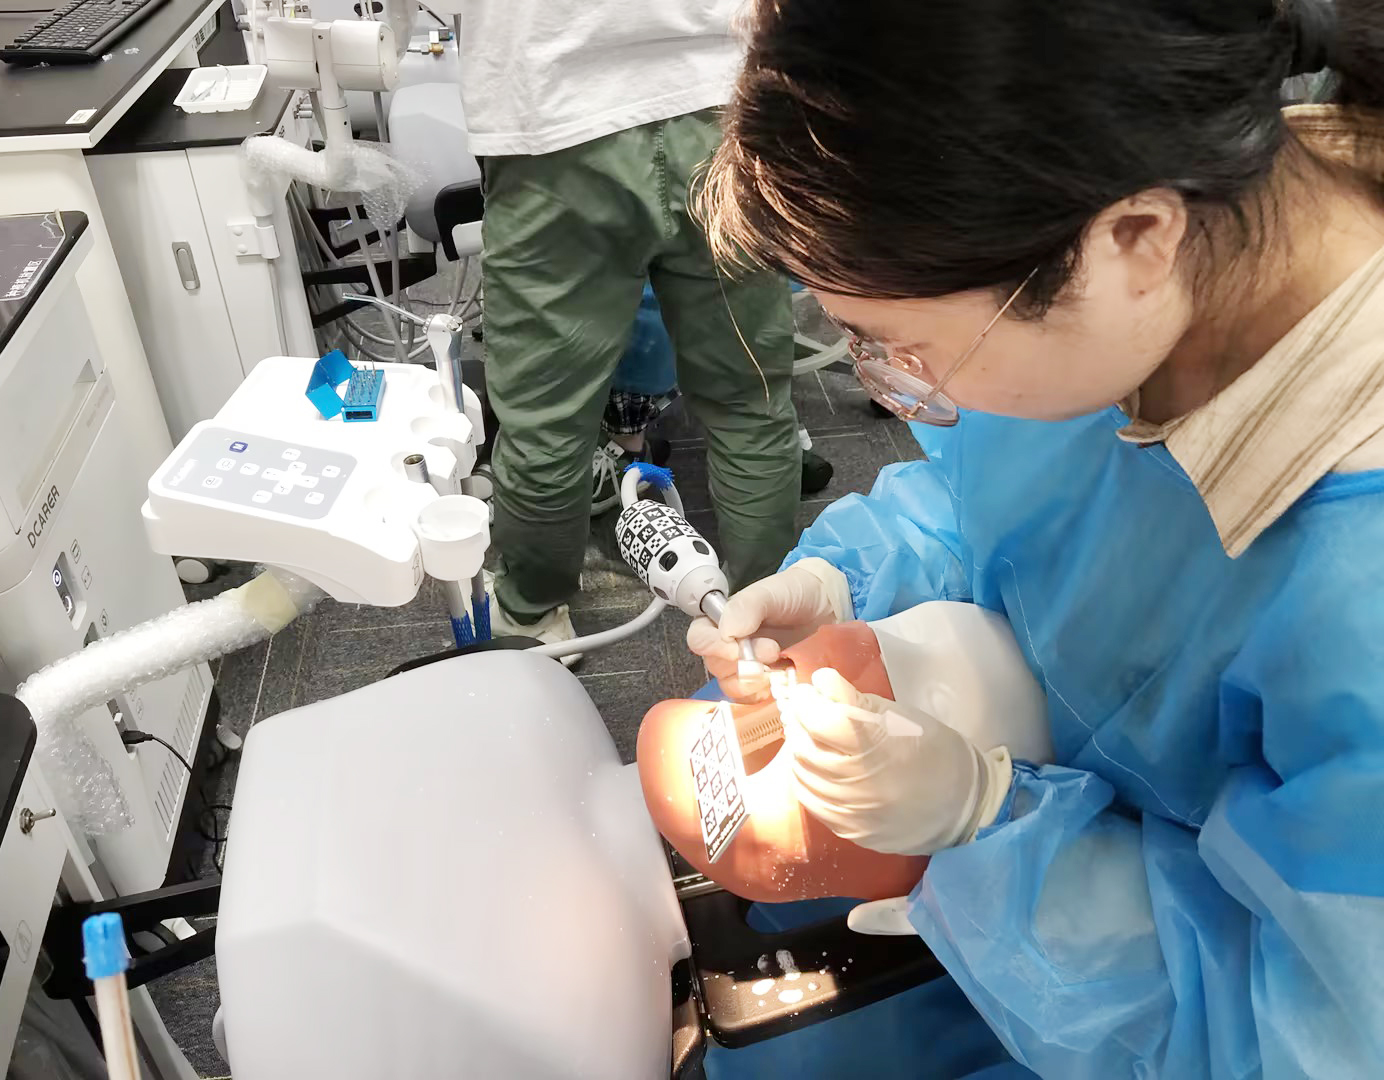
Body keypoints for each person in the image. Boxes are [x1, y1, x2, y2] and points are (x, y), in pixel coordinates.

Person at [637, 0, 1384, 1075]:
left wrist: (985, 819)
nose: (889, 383)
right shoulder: (1135, 246)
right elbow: (1011, 486)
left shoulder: (1356, 613)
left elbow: (1290, 1043)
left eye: (902, 347)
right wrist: (851, 580)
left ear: (1135, 239)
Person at [456, 1, 802, 658]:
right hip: (725, 99)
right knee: (749, 404)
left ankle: (531, 615)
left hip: (556, 118)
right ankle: (773, 620)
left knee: (545, 420)